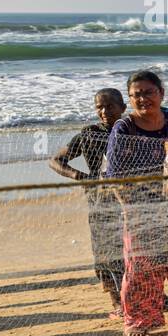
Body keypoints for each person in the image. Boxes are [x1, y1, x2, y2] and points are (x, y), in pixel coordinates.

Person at [105, 71, 168, 336]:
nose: (143, 98)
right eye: (136, 94)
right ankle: (140, 319)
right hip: (140, 209)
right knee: (141, 267)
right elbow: (114, 175)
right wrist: (129, 209)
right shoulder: (124, 128)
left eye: (148, 92)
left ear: (161, 93)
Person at [50, 88, 127, 317]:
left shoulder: (132, 129)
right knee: (105, 250)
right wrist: (81, 177)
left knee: (132, 249)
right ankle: (116, 301)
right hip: (101, 201)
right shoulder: (89, 134)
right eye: (99, 107)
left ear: (123, 107)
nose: (104, 111)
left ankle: (141, 295)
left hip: (131, 198)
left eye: (110, 106)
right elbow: (55, 161)